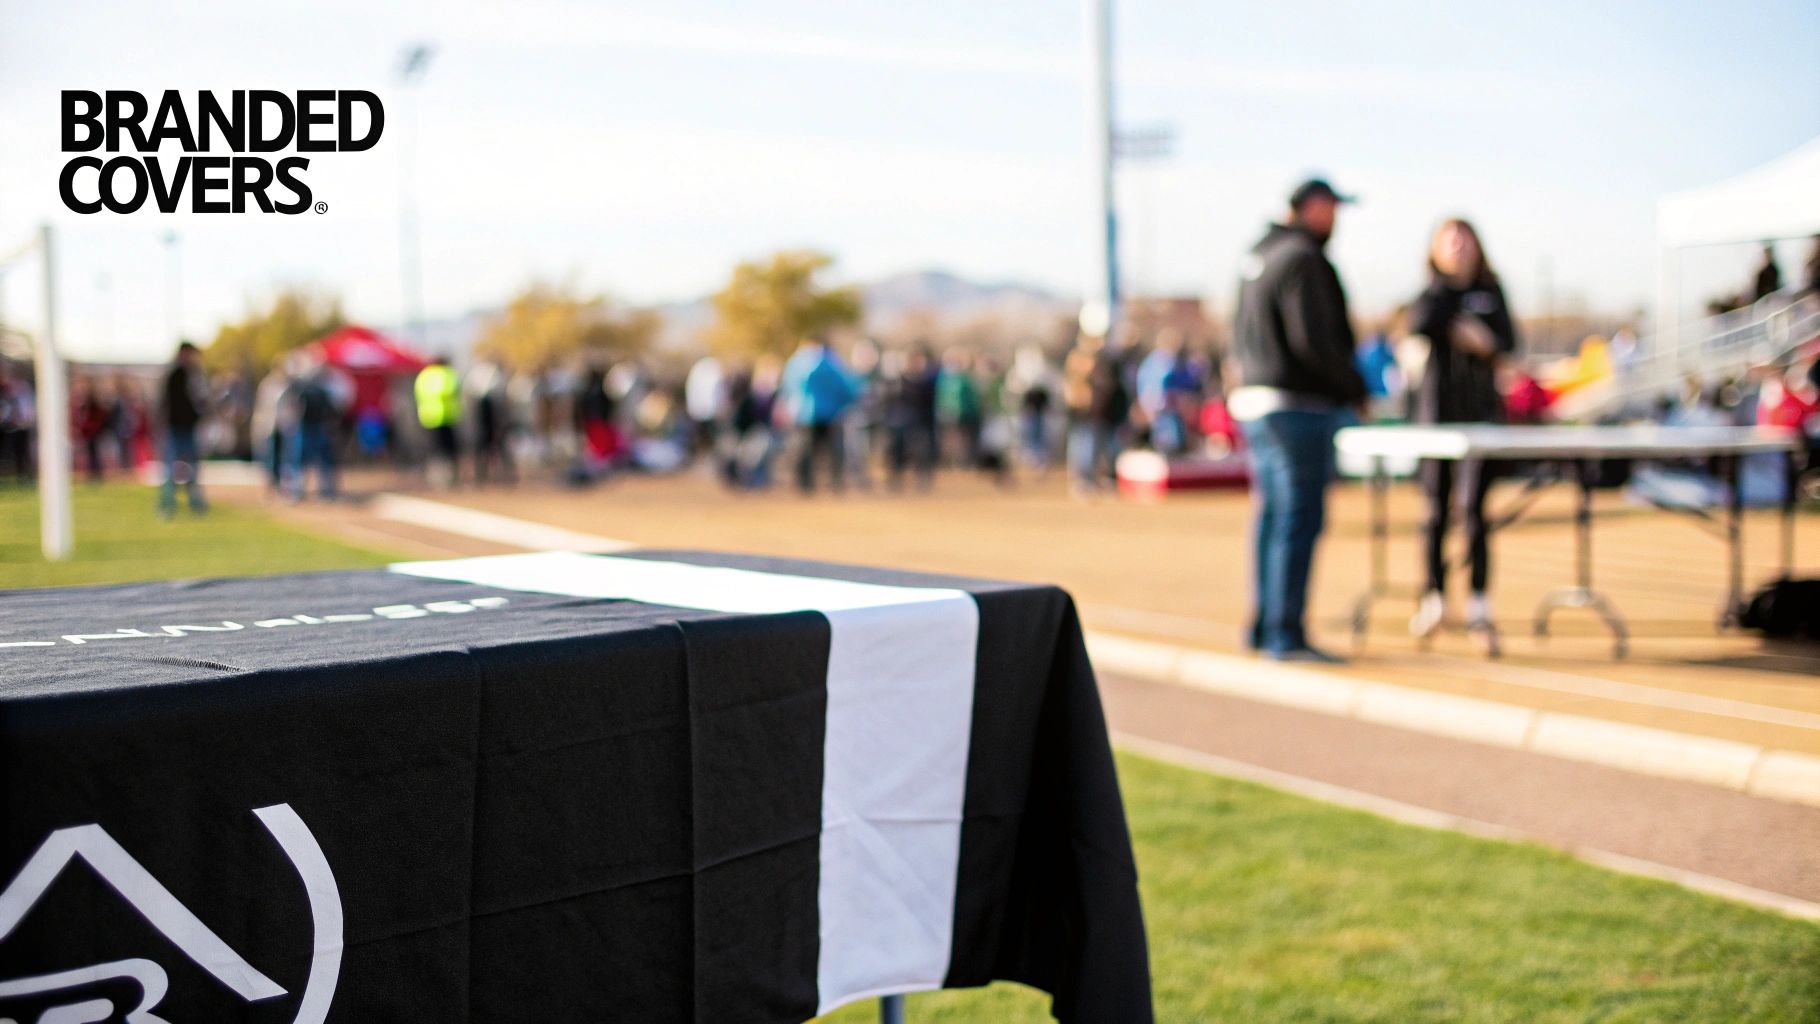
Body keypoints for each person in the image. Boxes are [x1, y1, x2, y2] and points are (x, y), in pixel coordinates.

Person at [1229, 178, 1366, 662]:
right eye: (1331, 209)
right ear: (1311, 207)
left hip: (1256, 402)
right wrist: (1355, 387)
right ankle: (1285, 633)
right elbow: (1313, 338)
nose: (1336, 221)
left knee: (1271, 515)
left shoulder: (1259, 256)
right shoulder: (1302, 257)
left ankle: (1265, 626)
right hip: (1295, 406)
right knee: (1296, 517)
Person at [1405, 218, 1518, 655]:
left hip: (1481, 418)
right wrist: (1447, 289)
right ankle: (1433, 597)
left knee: (1474, 512)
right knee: (1434, 510)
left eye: (1464, 237)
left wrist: (1483, 343)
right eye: (1448, 240)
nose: (1457, 246)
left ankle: (1478, 605)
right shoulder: (1433, 292)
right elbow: (1419, 322)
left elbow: (1508, 342)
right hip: (1436, 420)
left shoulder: (1493, 291)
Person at [781, 336, 858, 494]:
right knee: (833, 451)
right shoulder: (834, 363)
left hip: (804, 414)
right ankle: (836, 482)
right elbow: (847, 388)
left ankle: (805, 484)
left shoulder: (797, 363)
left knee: (805, 451)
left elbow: (788, 387)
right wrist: (841, 406)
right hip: (831, 415)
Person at [156, 341, 209, 517]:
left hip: (188, 427)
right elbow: (166, 404)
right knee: (172, 468)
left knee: (192, 468)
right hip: (175, 428)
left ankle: (194, 502)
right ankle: (167, 503)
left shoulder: (194, 374)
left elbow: (200, 401)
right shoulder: (175, 375)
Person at [284, 353, 340, 501]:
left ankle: (325, 489)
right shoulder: (300, 388)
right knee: (299, 460)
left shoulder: (323, 392)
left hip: (318, 428)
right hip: (304, 428)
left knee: (323, 460)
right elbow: (293, 405)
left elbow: (330, 411)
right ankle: (297, 489)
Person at [415, 354, 462, 486]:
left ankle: (434, 475)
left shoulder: (424, 375)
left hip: (428, 417)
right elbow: (452, 390)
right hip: (445, 417)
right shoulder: (447, 374)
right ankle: (448, 475)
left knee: (433, 449)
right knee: (447, 449)